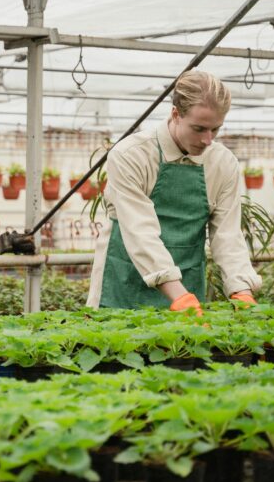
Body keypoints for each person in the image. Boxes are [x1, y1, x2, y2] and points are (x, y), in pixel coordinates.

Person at [87, 71, 261, 313]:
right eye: (199, 129)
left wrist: (241, 289)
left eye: (216, 130)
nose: (208, 140)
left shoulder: (223, 163)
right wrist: (179, 297)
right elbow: (140, 232)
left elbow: (227, 235)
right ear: (176, 114)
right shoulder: (132, 154)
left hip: (186, 285)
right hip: (124, 284)